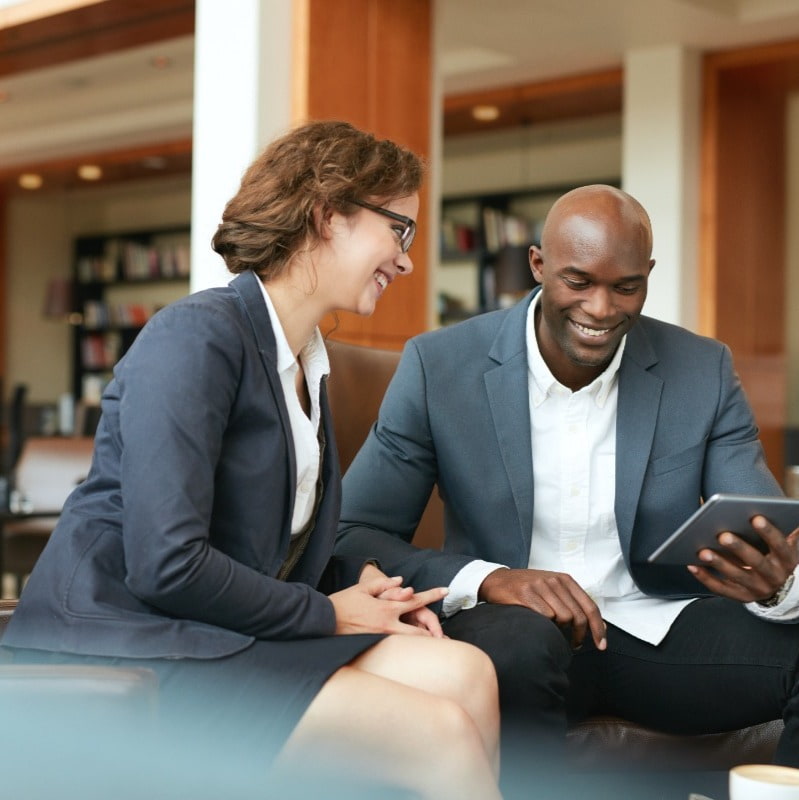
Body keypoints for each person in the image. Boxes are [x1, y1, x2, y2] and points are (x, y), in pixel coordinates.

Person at [2, 120, 501, 800]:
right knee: (435, 732)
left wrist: (372, 591)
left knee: (468, 672)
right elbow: (166, 563)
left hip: (209, 632)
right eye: (398, 229)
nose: (407, 259)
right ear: (328, 216)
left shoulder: (306, 366)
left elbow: (267, 544)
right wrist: (331, 614)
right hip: (126, 640)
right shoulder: (195, 336)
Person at [336, 184, 799, 781]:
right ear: (537, 265)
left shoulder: (701, 369)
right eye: (578, 282)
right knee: (523, 647)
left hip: (656, 625)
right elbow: (356, 534)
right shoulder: (439, 366)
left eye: (625, 286)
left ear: (648, 276)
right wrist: (492, 580)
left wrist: (779, 587)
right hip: (513, 635)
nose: (601, 309)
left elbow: (762, 525)